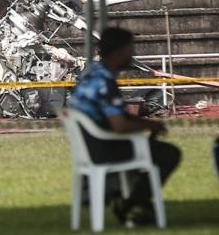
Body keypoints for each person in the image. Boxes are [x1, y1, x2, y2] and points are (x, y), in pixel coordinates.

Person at [68, 27, 181, 226]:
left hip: (89, 145)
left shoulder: (92, 74)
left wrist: (146, 124)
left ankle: (124, 195)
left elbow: (114, 116)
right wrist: (147, 126)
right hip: (105, 148)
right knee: (169, 154)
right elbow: (119, 125)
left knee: (151, 151)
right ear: (118, 51)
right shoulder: (106, 82)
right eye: (130, 49)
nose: (133, 54)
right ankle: (133, 204)